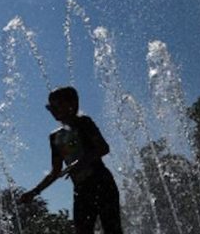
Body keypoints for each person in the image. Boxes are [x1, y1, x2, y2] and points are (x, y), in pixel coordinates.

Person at [19, 86, 123, 234]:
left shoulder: (84, 123)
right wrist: (34, 192)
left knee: (112, 228)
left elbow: (103, 148)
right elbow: (55, 171)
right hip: (81, 189)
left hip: (101, 182)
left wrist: (81, 162)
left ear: (72, 104)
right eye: (50, 107)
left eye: (57, 105)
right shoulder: (55, 138)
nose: (53, 110)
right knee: (82, 230)